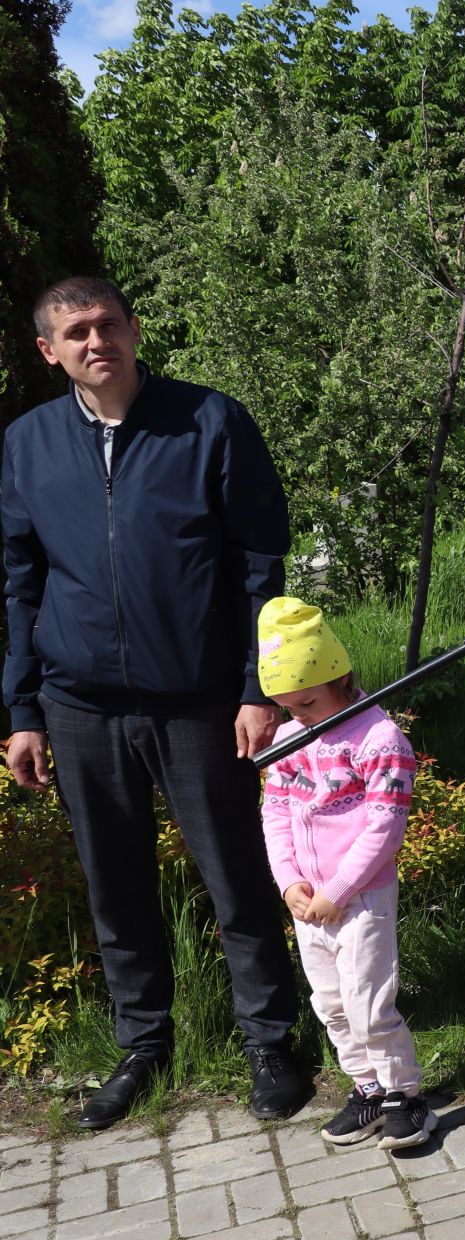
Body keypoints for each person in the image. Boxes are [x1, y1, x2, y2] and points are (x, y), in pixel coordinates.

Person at [2, 276, 311, 1129]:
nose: (95, 342)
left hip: (200, 699)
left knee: (237, 876)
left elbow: (261, 566)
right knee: (116, 884)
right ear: (49, 351)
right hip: (79, 701)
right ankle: (143, 1044)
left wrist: (260, 690)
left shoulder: (210, 421)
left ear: (134, 331)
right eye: (75, 333)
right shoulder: (27, 444)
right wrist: (21, 710)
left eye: (107, 325)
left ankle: (268, 1040)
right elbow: (19, 584)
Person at [256, 597, 434, 1150]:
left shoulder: (378, 740)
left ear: (340, 676)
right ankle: (367, 1090)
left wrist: (337, 891)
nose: (299, 716)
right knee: (330, 1004)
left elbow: (385, 827)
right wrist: (289, 881)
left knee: (367, 1002)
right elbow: (276, 812)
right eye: (287, 707)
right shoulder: (289, 740)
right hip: (309, 903)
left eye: (307, 702)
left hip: (360, 898)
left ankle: (405, 1095)